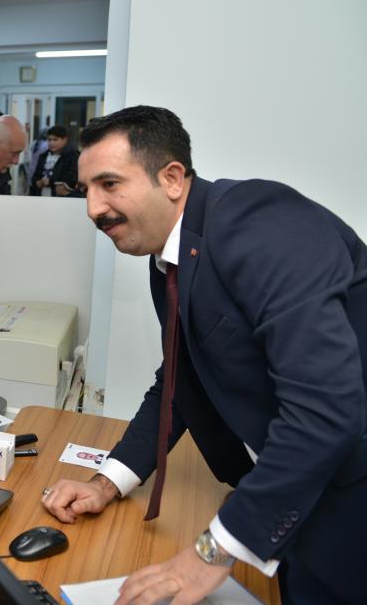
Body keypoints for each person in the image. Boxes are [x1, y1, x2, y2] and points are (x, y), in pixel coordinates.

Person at [42, 105, 366, 604]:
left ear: (172, 179)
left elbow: (325, 408)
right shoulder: (169, 257)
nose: (93, 208)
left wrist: (212, 552)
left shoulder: (260, 221)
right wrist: (108, 482)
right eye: (86, 189)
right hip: (292, 499)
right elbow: (180, 379)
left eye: (109, 184)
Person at [29, 125, 79, 196]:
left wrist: (51, 181)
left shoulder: (72, 156)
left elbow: (71, 177)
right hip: (41, 196)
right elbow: (35, 176)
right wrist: (37, 182)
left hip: (60, 197)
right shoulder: (43, 156)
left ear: (64, 140)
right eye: (49, 140)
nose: (51, 143)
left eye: (55, 140)